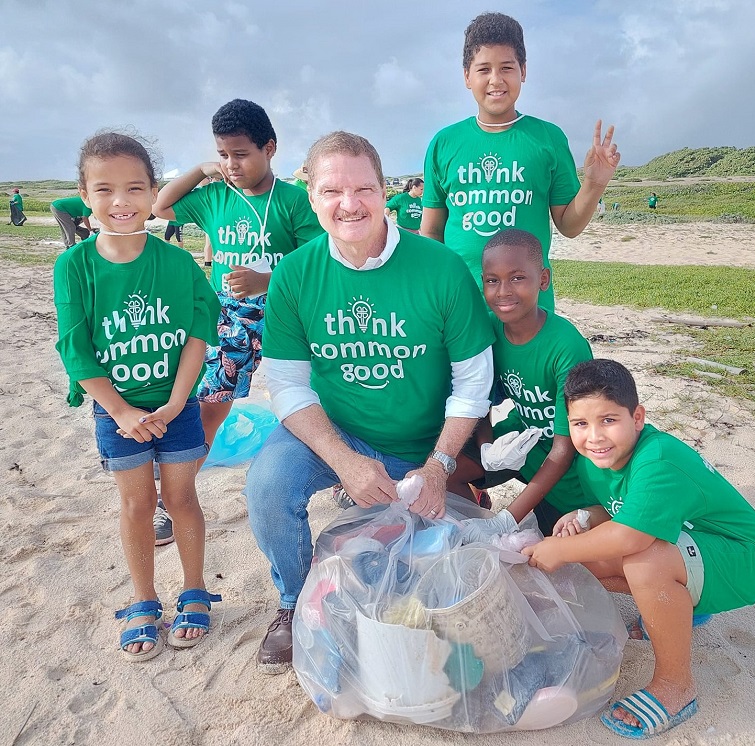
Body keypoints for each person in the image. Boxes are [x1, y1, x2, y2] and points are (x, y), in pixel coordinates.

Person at [244, 131, 495, 673]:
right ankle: (292, 600)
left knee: (422, 578)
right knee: (267, 483)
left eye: (363, 189)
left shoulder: (441, 267)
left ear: (386, 193)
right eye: (332, 190)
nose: (349, 204)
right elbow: (287, 384)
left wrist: (439, 465)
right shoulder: (293, 273)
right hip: (340, 433)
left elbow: (474, 379)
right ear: (310, 196)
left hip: (422, 444)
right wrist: (344, 462)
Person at [523, 359, 755, 738]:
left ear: (637, 417)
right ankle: (681, 608)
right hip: (692, 544)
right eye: (580, 424)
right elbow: (618, 509)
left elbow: (631, 536)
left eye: (608, 420)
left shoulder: (657, 458)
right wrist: (586, 516)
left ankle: (676, 685)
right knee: (585, 558)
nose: (594, 436)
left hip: (741, 560)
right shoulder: (597, 460)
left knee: (644, 562)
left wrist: (556, 551)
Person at [53, 131, 223, 661]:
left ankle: (194, 591)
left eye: (134, 188)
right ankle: (144, 599)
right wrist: (121, 410)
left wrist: (176, 403)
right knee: (136, 504)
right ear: (85, 196)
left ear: (154, 194)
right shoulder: (74, 267)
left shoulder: (176, 264)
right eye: (105, 190)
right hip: (114, 411)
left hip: (177, 405)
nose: (121, 202)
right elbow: (77, 352)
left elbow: (198, 332)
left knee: (181, 500)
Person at [152, 99, 323, 458]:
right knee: (212, 401)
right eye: (223, 154)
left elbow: (318, 266)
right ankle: (176, 487)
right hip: (228, 317)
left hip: (285, 313)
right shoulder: (214, 196)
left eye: (241, 153)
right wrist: (201, 170)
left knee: (314, 394)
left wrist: (267, 281)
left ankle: (336, 471)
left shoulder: (294, 201)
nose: (232, 164)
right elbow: (160, 206)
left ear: (270, 148)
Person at [421, 12, 621, 310]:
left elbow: (568, 225)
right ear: (466, 76)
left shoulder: (547, 139)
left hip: (529, 312)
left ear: (523, 71)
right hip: (459, 309)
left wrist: (594, 183)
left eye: (506, 68)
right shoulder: (443, 143)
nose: (496, 80)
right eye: (483, 69)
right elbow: (432, 233)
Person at [449, 229, 593, 537]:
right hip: (521, 438)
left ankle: (503, 523)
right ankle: (474, 518)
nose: (503, 291)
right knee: (446, 470)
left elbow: (564, 448)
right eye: (492, 280)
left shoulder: (566, 347)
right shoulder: (488, 330)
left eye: (517, 278)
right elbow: (479, 398)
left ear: (543, 280)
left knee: (558, 543)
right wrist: (487, 446)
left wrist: (508, 519)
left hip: (566, 465)